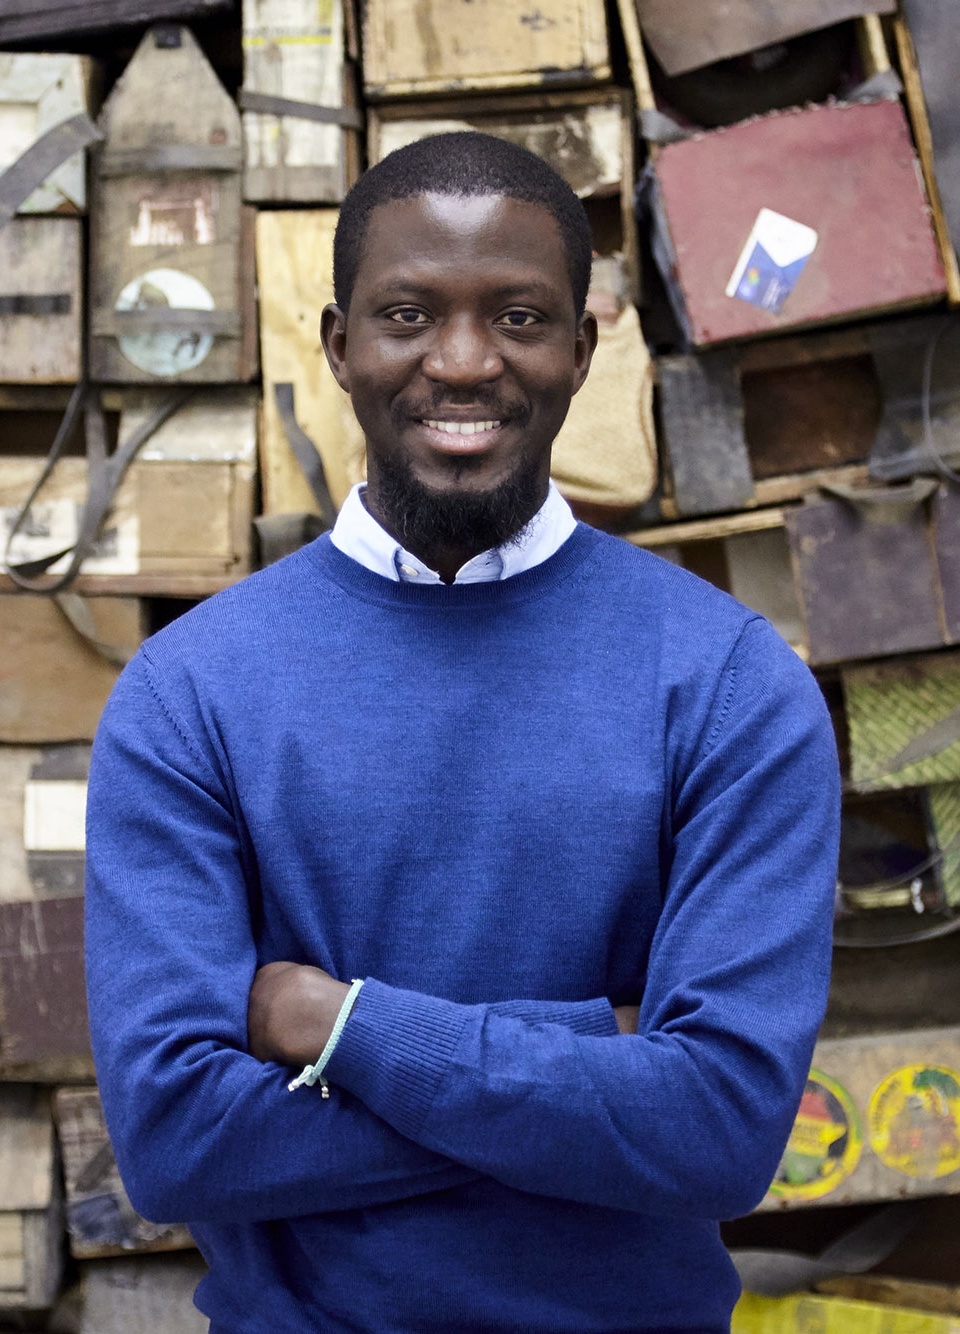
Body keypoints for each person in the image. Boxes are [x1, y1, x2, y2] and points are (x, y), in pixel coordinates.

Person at [86, 131, 839, 1332]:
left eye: (520, 317)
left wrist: (335, 1024)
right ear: (337, 345)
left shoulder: (729, 686)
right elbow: (177, 1142)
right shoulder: (190, 695)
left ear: (583, 350)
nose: (462, 360)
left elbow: (718, 1132)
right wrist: (600, 1061)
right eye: (405, 314)